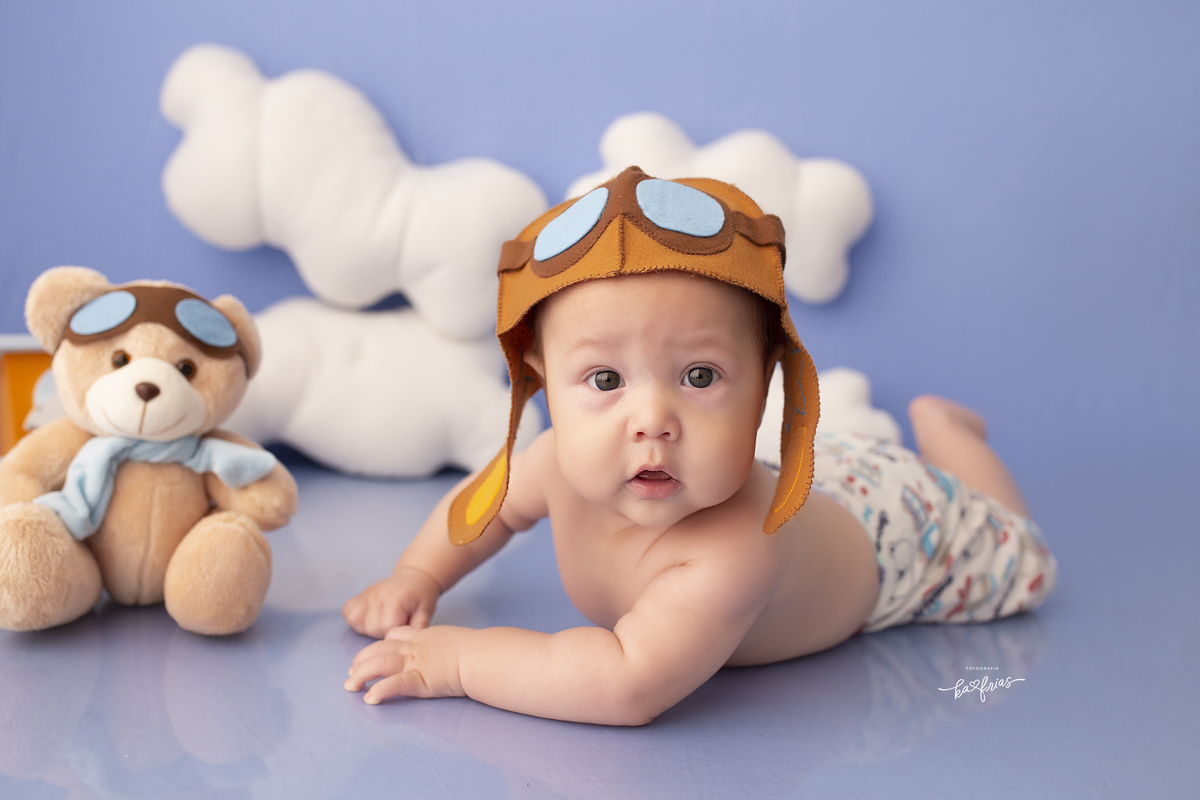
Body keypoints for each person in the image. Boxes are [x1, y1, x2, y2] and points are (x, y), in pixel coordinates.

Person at [341, 167, 1056, 725]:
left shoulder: (731, 554)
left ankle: (949, 433)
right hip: (828, 484)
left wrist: (459, 662)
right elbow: (486, 506)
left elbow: (625, 682)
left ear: (765, 385)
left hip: (903, 534)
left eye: (701, 376)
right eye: (605, 379)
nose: (652, 421)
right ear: (543, 381)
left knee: (1022, 556)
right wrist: (418, 574)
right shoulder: (559, 461)